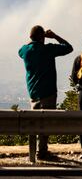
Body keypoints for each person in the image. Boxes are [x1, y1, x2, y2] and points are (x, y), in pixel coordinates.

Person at [18, 25, 73, 160]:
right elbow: (68, 47)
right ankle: (42, 152)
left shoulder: (25, 51)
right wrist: (54, 36)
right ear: (42, 37)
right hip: (48, 92)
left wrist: (34, 39)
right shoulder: (48, 49)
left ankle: (37, 151)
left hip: (33, 92)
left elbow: (20, 50)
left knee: (35, 123)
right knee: (45, 123)